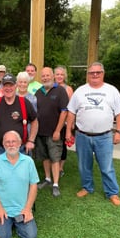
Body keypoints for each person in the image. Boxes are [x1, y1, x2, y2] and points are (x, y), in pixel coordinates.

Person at [65, 62, 120, 206]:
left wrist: (119, 131)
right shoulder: (80, 91)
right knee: (83, 165)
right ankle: (87, 187)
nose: (95, 75)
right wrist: (68, 131)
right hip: (82, 135)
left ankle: (112, 192)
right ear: (88, 74)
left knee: (107, 166)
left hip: (104, 136)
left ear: (103, 73)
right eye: (92, 73)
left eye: (98, 72)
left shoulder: (112, 90)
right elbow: (71, 112)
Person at [0, 131, 39, 238]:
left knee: (31, 236)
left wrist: (28, 209)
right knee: (2, 237)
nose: (11, 144)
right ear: (3, 145)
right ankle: (10, 223)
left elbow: (33, 186)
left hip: (21, 209)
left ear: (20, 143)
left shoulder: (28, 161)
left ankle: (15, 222)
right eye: (7, 142)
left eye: (14, 141)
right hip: (2, 209)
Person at [33, 67, 69, 197]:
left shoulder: (60, 91)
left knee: (55, 157)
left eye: (47, 75)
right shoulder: (38, 92)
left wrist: (58, 130)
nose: (45, 78)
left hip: (54, 132)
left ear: (53, 76)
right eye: (43, 76)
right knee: (45, 157)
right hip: (40, 132)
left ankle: (55, 184)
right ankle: (47, 179)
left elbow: (64, 112)